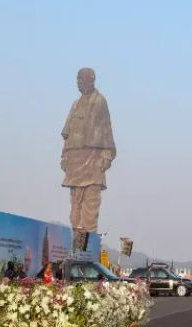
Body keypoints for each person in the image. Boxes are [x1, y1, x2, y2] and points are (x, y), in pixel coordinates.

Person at [61, 67, 116, 233]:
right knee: (75, 210)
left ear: (90, 80)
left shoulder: (100, 101)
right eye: (77, 79)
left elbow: (106, 130)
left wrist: (106, 156)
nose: (78, 82)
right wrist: (64, 156)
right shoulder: (75, 104)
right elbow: (68, 134)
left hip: (93, 161)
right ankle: (76, 242)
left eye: (81, 79)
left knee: (90, 211)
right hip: (75, 163)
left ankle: (88, 244)